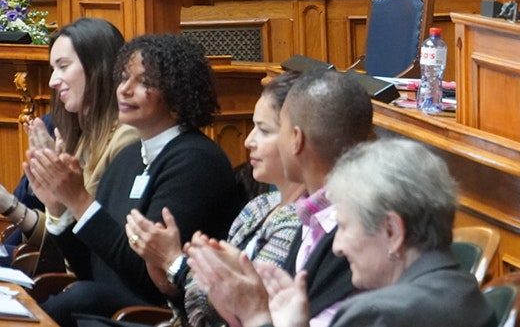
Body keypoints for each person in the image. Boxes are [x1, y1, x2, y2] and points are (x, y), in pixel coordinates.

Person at [25, 33, 242, 327]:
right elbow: (93, 269)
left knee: (78, 299)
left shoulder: (196, 161)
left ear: (177, 92)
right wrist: (60, 207)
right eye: (124, 78)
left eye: (143, 82)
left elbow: (146, 280)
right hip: (110, 312)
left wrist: (79, 200)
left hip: (156, 317)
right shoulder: (129, 158)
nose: (125, 90)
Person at [192, 138, 497, 327]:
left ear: (391, 231)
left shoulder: (379, 315)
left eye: (345, 227)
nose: (337, 247)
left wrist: (257, 317)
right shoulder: (466, 290)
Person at [184, 67, 374, 327]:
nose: (248, 141)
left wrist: (252, 307)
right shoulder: (311, 217)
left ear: (296, 139)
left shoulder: (348, 234)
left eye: (275, 129)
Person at [124, 70, 305, 327]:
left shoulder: (302, 222)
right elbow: (204, 312)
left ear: (296, 138)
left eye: (264, 130)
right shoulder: (258, 207)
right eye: (253, 127)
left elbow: (242, 308)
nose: (249, 140)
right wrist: (166, 273)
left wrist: (174, 263)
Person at [0, 18, 138, 267]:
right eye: (53, 69)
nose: (52, 81)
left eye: (63, 66)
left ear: (98, 67)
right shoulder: (82, 135)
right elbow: (62, 234)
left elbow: (92, 247)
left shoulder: (127, 139)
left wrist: (12, 206)